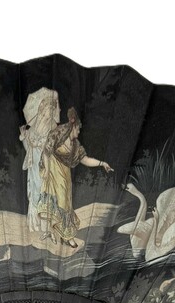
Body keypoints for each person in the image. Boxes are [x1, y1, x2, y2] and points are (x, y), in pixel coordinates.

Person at [38, 107, 113, 248]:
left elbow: (86, 160)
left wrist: (102, 164)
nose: (79, 132)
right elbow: (46, 152)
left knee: (66, 203)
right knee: (60, 202)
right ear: (74, 126)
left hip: (65, 175)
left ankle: (66, 235)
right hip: (53, 171)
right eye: (78, 129)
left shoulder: (75, 146)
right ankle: (64, 235)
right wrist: (47, 170)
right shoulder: (59, 133)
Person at [20, 91, 59, 232]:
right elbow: (28, 149)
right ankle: (34, 223)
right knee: (34, 190)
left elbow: (52, 147)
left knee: (44, 190)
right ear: (42, 108)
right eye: (50, 109)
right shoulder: (33, 127)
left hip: (46, 163)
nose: (52, 112)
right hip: (34, 164)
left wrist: (41, 144)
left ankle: (46, 226)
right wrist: (24, 137)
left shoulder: (53, 126)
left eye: (53, 109)